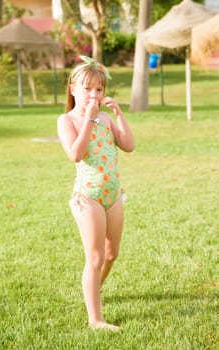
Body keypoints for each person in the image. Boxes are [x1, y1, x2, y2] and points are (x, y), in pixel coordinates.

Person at [57, 56, 135, 331]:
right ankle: (95, 319)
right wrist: (88, 118)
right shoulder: (67, 120)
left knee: (112, 254)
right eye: (87, 88)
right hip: (87, 197)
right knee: (95, 256)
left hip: (113, 195)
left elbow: (128, 145)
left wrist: (118, 115)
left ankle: (92, 293)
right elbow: (75, 153)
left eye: (99, 90)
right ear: (73, 89)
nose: (94, 94)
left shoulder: (104, 118)